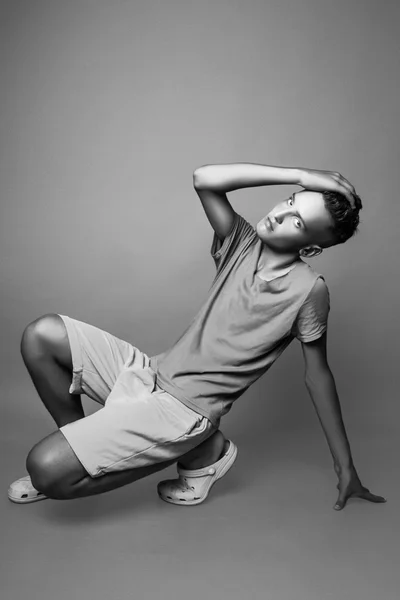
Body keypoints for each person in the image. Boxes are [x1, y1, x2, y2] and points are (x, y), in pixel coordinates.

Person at [8, 163, 386, 511]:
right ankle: (89, 447)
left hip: (183, 412)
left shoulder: (309, 291)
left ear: (310, 247)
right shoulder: (242, 242)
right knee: (42, 335)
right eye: (288, 201)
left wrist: (346, 466)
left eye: (298, 222)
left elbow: (317, 376)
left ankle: (199, 453)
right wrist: (302, 176)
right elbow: (204, 178)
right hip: (149, 373)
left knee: (44, 468)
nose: (279, 214)